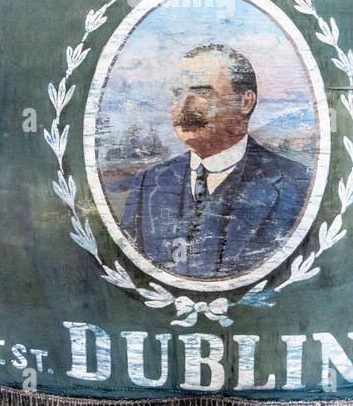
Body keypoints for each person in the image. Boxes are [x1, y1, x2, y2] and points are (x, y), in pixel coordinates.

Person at [121, 42, 310, 279]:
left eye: (202, 92)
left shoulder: (298, 185)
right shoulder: (148, 183)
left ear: (245, 102)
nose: (184, 107)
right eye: (177, 93)